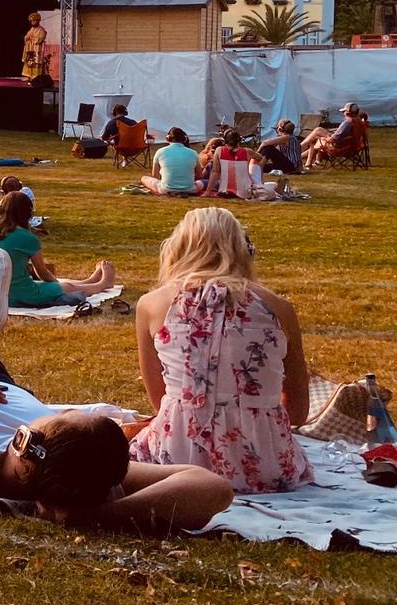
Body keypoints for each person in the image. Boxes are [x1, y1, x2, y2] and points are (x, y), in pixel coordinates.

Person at [0, 263, 234, 533]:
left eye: (60, 415)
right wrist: (97, 514)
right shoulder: (81, 470)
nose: (63, 409)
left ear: (22, 441)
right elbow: (211, 487)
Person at [130, 208, 313, 493]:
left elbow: (158, 400)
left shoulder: (152, 304)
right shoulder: (278, 308)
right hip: (268, 464)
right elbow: (299, 412)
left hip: (179, 458)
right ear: (243, 250)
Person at [0, 192, 115, 308]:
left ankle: (89, 281)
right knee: (66, 287)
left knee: (63, 285)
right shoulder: (27, 237)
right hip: (19, 295)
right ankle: (103, 284)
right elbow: (42, 273)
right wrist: (56, 284)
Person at [142, 127, 202, 196]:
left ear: (168, 138)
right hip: (190, 189)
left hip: (165, 189)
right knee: (201, 183)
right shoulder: (193, 153)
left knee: (144, 178)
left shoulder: (160, 151)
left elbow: (155, 175)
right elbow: (199, 175)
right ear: (184, 139)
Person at [302, 102, 357, 168]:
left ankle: (301, 150)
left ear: (348, 112)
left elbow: (334, 139)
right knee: (318, 134)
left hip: (338, 146)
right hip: (348, 144)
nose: (343, 114)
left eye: (344, 112)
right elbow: (342, 133)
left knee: (317, 135)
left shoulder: (347, 122)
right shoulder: (356, 121)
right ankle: (314, 161)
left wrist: (326, 138)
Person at [21, 12, 48, 83]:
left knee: (35, 62)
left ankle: (35, 77)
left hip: (36, 50)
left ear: (37, 21)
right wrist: (27, 38)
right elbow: (26, 36)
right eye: (31, 21)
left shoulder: (41, 29)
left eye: (34, 21)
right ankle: (28, 76)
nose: (32, 22)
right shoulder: (31, 29)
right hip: (30, 49)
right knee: (29, 62)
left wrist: (33, 38)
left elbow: (41, 38)